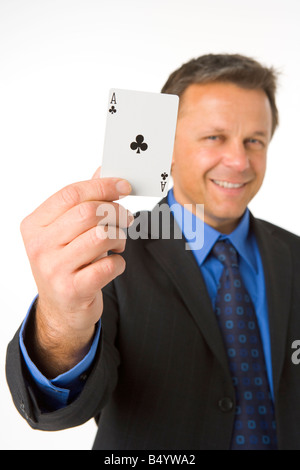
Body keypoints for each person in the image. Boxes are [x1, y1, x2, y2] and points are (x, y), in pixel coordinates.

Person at [6, 54, 300, 450]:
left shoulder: (294, 254)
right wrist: (59, 322)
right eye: (215, 137)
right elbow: (63, 408)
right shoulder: (108, 249)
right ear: (167, 146)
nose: (239, 161)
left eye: (255, 141)